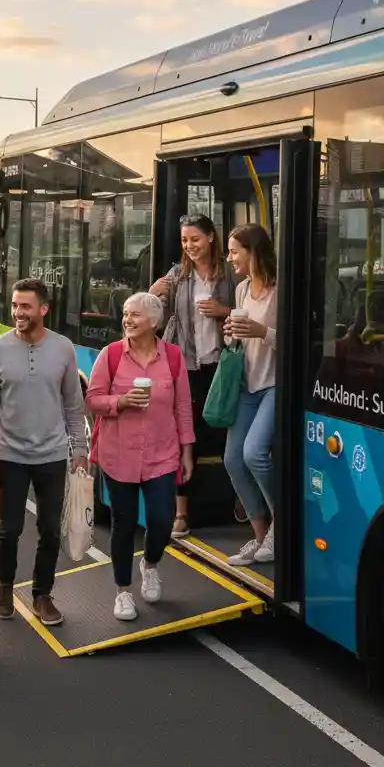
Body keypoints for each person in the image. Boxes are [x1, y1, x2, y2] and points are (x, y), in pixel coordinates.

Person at [0, 278, 88, 626]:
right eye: (14, 306)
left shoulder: (63, 349)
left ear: (43, 309)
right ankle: (4, 585)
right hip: (9, 456)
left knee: (50, 530)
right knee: (9, 529)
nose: (17, 312)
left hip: (52, 455)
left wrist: (80, 447)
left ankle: (42, 594)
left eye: (25, 306)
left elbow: (74, 404)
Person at [86, 293, 194, 620]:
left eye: (134, 315)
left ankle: (149, 564)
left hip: (162, 453)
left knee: (162, 520)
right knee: (123, 524)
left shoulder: (173, 358)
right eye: (125, 314)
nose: (127, 320)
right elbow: (92, 399)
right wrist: (120, 402)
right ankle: (122, 593)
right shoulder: (112, 355)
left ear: (154, 322)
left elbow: (183, 408)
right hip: (118, 456)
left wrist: (187, 451)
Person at [150, 213, 235, 537]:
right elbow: (155, 308)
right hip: (188, 366)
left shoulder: (230, 274)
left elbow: (250, 308)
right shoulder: (179, 274)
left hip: (222, 365)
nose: (190, 246)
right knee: (185, 438)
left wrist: (223, 311)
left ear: (211, 237)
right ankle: (182, 512)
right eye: (185, 241)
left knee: (231, 435)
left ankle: (238, 499)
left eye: (195, 239)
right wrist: (153, 292)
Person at [222, 224, 278, 566]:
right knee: (232, 459)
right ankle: (259, 537)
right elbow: (240, 339)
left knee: (255, 453)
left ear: (253, 252)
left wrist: (263, 332)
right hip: (247, 382)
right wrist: (232, 332)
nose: (230, 258)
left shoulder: (280, 288)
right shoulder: (242, 290)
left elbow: (302, 339)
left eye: (234, 251)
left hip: (274, 383)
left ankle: (280, 525)